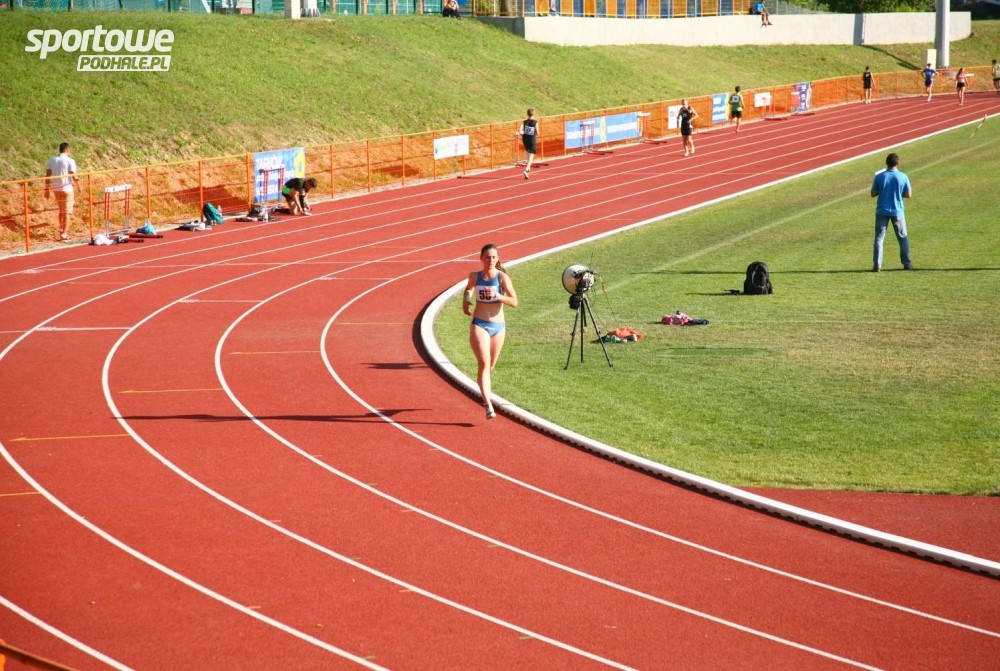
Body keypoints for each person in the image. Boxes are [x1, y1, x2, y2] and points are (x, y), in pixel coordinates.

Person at [462, 243, 518, 420]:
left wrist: (498, 296)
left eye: (494, 257)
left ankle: (482, 388)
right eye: (487, 257)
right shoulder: (475, 276)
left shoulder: (502, 277)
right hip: (480, 324)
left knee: (490, 366)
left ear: (498, 259)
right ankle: (488, 405)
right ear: (481, 258)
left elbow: (514, 301)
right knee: (484, 363)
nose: (491, 260)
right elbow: (469, 288)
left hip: (499, 327)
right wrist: (466, 301)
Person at [870, 153, 913, 272]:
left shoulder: (880, 177)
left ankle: (877, 265)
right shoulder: (903, 176)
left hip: (882, 211)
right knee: (902, 237)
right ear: (898, 163)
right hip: (897, 210)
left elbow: (873, 193)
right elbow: (908, 194)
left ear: (886, 162)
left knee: (879, 238)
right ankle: (907, 263)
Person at [45, 142, 79, 242]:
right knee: (67, 212)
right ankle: (64, 233)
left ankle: (61, 229)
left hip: (56, 189)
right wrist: (79, 186)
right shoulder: (70, 160)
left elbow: (47, 176)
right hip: (67, 188)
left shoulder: (51, 160)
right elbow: (74, 175)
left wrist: (46, 190)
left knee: (61, 211)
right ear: (68, 150)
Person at [516, 108, 539, 180]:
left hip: (525, 139)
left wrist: (523, 133)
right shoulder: (535, 122)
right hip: (532, 139)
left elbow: (519, 130)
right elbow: (538, 133)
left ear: (527, 114)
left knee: (529, 154)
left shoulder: (524, 122)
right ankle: (526, 170)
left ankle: (528, 170)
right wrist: (534, 133)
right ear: (534, 114)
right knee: (531, 156)